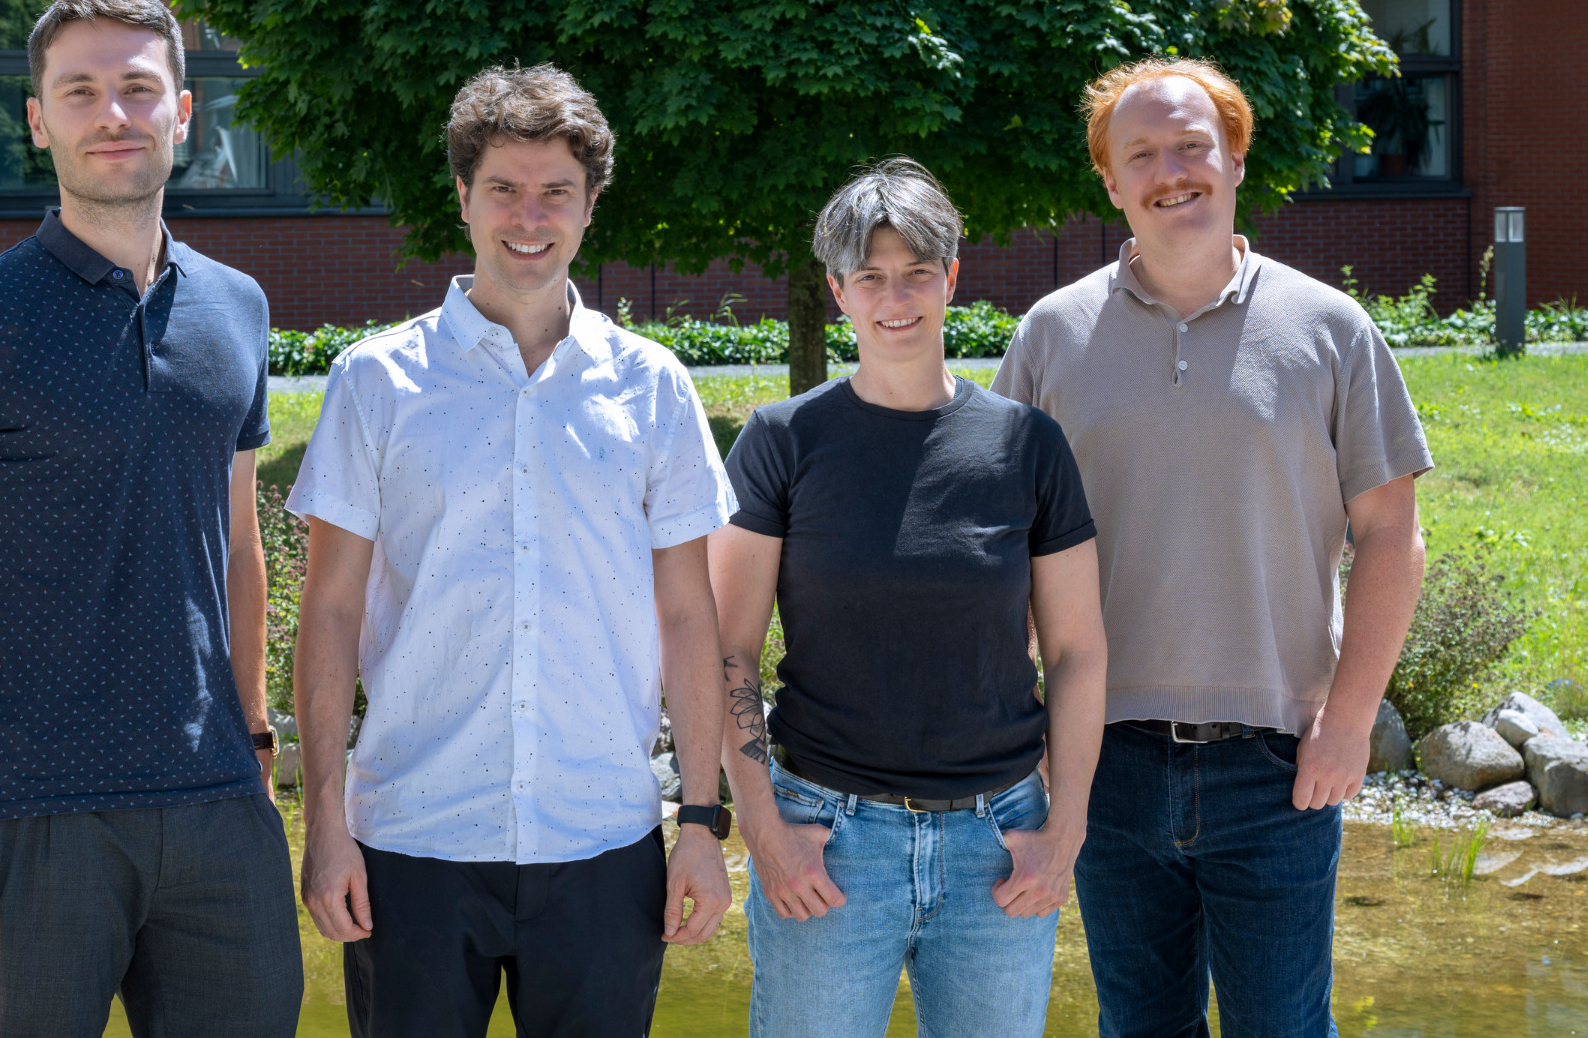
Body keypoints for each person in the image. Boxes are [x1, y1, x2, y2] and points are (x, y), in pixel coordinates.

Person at [0, 0, 300, 1038]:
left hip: (215, 800)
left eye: (139, 89)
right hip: (34, 807)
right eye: (80, 92)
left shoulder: (238, 308)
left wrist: (252, 727)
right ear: (38, 120)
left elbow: (239, 540)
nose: (114, 115)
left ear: (183, 113)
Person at [289, 64, 737, 1038]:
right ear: (463, 196)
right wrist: (324, 826)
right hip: (411, 843)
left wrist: (701, 823)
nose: (529, 217)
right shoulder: (375, 382)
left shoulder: (653, 386)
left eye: (555, 192)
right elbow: (328, 613)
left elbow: (687, 614)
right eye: (503, 188)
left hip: (603, 839)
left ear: (590, 206)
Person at [993, 58, 1431, 1038]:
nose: (1171, 171)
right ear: (1110, 181)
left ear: (1235, 158)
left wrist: (1350, 721)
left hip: (1278, 765)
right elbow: (1005, 549)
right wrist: (1025, 733)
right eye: (1141, 153)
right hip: (1102, 760)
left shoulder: (1330, 330)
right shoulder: (1051, 337)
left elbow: (1392, 534)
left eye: (1192, 145)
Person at [711, 159, 1108, 1038]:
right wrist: (765, 831)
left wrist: (1066, 832)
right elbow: (728, 648)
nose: (895, 298)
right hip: (826, 840)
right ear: (837, 291)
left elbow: (1077, 649)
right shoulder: (781, 442)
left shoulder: (1027, 445)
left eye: (917, 272)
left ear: (952, 277)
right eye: (870, 277)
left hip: (1000, 845)